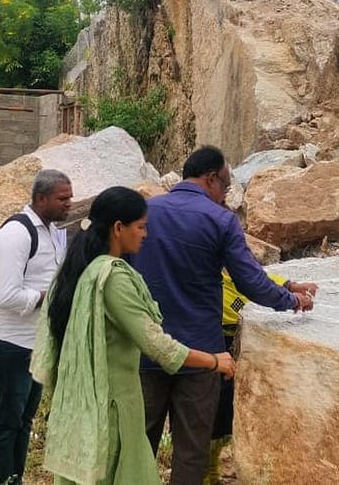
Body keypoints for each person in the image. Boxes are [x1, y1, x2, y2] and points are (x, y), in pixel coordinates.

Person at [132, 146, 315, 485]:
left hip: (145, 349)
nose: (226, 196)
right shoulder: (220, 220)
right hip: (201, 356)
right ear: (211, 178)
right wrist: (291, 300)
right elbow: (249, 281)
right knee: (191, 451)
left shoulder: (146, 210)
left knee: (137, 445)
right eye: (227, 187)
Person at [30, 186, 235, 485]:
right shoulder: (113, 278)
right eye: (140, 227)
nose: (145, 235)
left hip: (88, 399)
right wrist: (215, 361)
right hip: (113, 405)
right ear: (118, 228)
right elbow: (159, 347)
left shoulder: (79, 268)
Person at [0, 168, 73, 485]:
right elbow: (6, 294)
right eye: (63, 198)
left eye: (70, 197)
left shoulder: (53, 231)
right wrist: (52, 296)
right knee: (6, 419)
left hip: (35, 343)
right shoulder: (16, 234)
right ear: (40, 198)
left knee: (23, 419)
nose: (69, 204)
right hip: (8, 342)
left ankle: (13, 478)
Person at [202, 271, 316, 485]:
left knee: (224, 407)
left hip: (227, 330)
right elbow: (249, 278)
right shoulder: (209, 246)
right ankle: (204, 471)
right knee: (210, 405)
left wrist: (288, 285)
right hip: (211, 334)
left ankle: (211, 467)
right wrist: (289, 297)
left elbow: (249, 271)